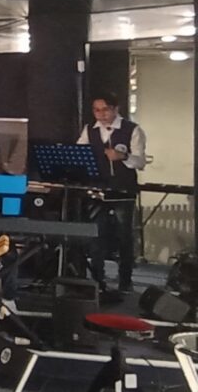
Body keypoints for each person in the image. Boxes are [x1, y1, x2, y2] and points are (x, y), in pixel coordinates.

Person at [77, 92, 147, 293]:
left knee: (124, 236)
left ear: (116, 109)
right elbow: (80, 151)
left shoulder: (133, 130)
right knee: (96, 236)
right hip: (98, 189)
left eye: (105, 110)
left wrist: (123, 156)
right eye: (96, 110)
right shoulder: (90, 130)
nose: (101, 114)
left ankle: (125, 280)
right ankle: (97, 279)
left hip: (122, 189)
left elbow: (140, 161)